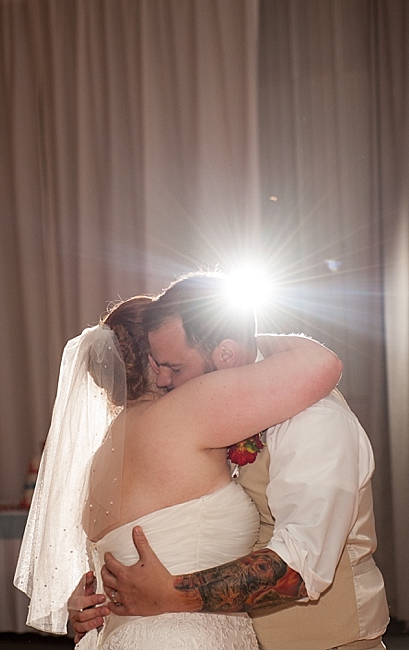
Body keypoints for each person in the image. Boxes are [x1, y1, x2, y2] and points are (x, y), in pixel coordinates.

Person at [77, 272, 389, 649]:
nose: (163, 382)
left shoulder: (314, 418)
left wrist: (173, 594)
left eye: (174, 368)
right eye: (157, 366)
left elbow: (299, 566)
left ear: (225, 354)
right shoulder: (198, 424)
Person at [15, 291, 342, 649]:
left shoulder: (101, 455)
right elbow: (322, 364)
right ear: (155, 364)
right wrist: (239, 336)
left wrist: (86, 607)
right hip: (186, 640)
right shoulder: (187, 411)